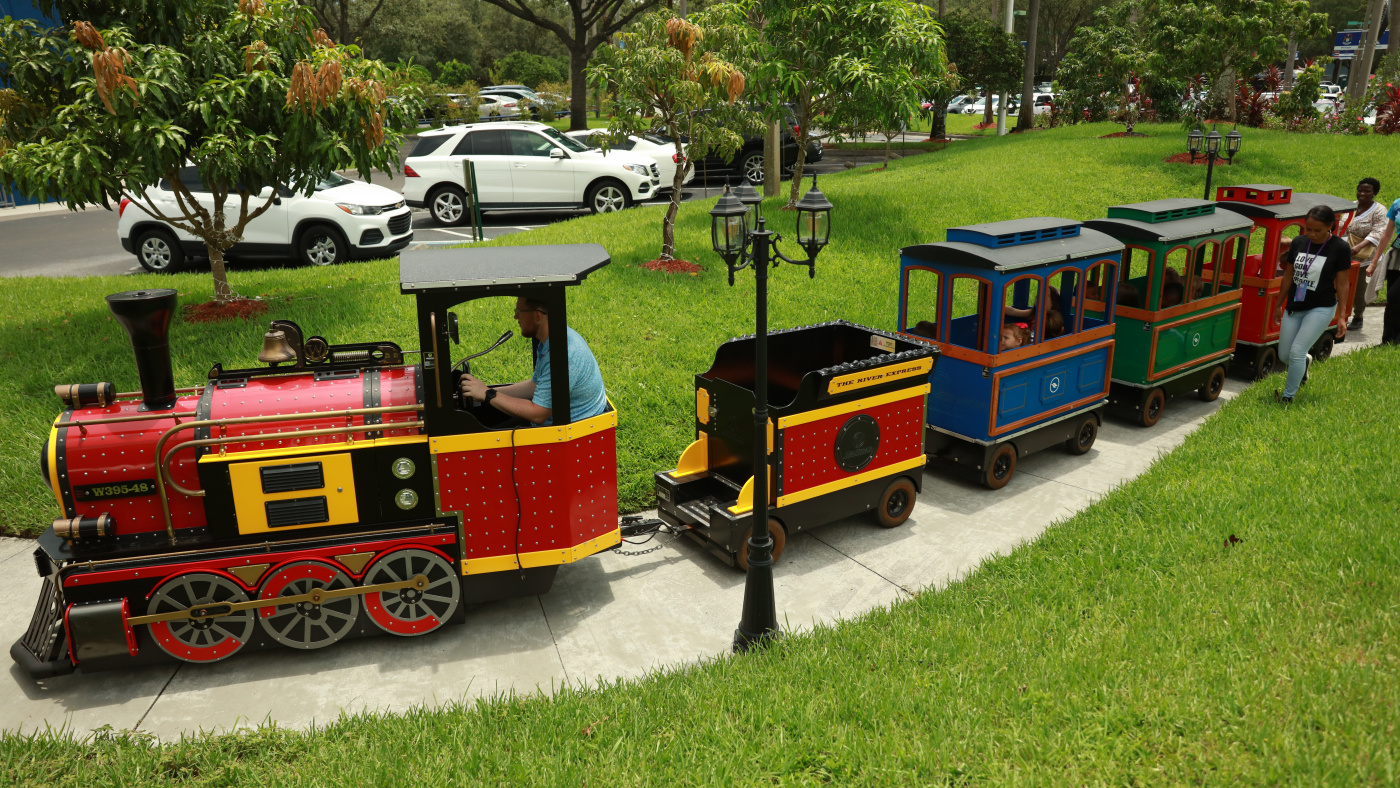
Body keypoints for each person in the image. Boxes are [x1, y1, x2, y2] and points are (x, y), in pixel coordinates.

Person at [459, 297, 608, 425]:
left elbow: (538, 414)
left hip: (565, 433)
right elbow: (534, 386)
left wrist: (488, 394)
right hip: (552, 422)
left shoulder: (564, 354)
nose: (515, 317)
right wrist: (484, 392)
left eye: (519, 311)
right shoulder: (551, 340)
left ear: (537, 316)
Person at [1275, 205, 1351, 403]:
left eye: (1318, 230)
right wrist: (1278, 304)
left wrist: (1342, 316)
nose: (1312, 234)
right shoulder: (1299, 242)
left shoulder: (1340, 248)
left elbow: (1343, 283)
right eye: (1308, 229)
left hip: (1321, 306)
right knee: (1285, 356)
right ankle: (1305, 363)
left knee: (1297, 351)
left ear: (1330, 226)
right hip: (1295, 305)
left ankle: (1288, 396)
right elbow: (1288, 275)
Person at [1348, 178, 1386, 330]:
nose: (1362, 193)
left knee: (1360, 290)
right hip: (1346, 254)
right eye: (1360, 190)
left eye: (1367, 191)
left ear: (1374, 193)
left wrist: (1359, 247)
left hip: (1365, 258)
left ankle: (1358, 317)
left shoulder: (1379, 210)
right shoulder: (1350, 206)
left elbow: (1378, 232)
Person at [1365, 192, 1400, 345]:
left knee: (1394, 296)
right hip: (1397, 255)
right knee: (1392, 300)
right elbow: (1387, 234)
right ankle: (1387, 340)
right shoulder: (1397, 203)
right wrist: (1374, 262)